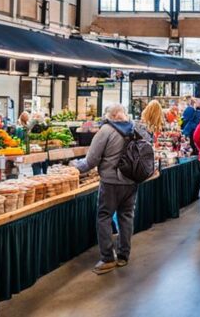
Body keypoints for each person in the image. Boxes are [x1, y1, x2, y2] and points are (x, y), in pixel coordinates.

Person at [72, 103, 144, 275]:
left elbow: (91, 161)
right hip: (131, 180)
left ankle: (107, 258)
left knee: (104, 217)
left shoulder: (105, 131)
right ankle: (123, 256)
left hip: (111, 182)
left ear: (110, 116)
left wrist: (74, 167)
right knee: (126, 216)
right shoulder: (135, 130)